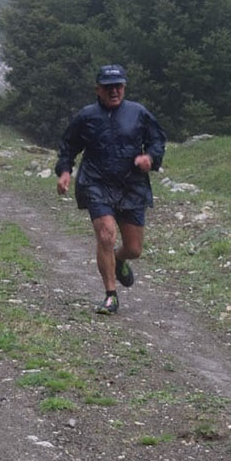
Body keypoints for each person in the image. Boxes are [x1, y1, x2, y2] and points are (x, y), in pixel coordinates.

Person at [55, 64, 166, 314]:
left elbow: (157, 140)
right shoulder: (87, 116)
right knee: (106, 234)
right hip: (96, 182)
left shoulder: (138, 113)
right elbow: (68, 146)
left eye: (118, 86)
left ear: (124, 87)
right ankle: (110, 295)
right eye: (108, 87)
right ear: (98, 89)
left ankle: (119, 260)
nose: (114, 91)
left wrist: (150, 157)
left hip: (131, 184)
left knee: (135, 249)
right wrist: (64, 172)